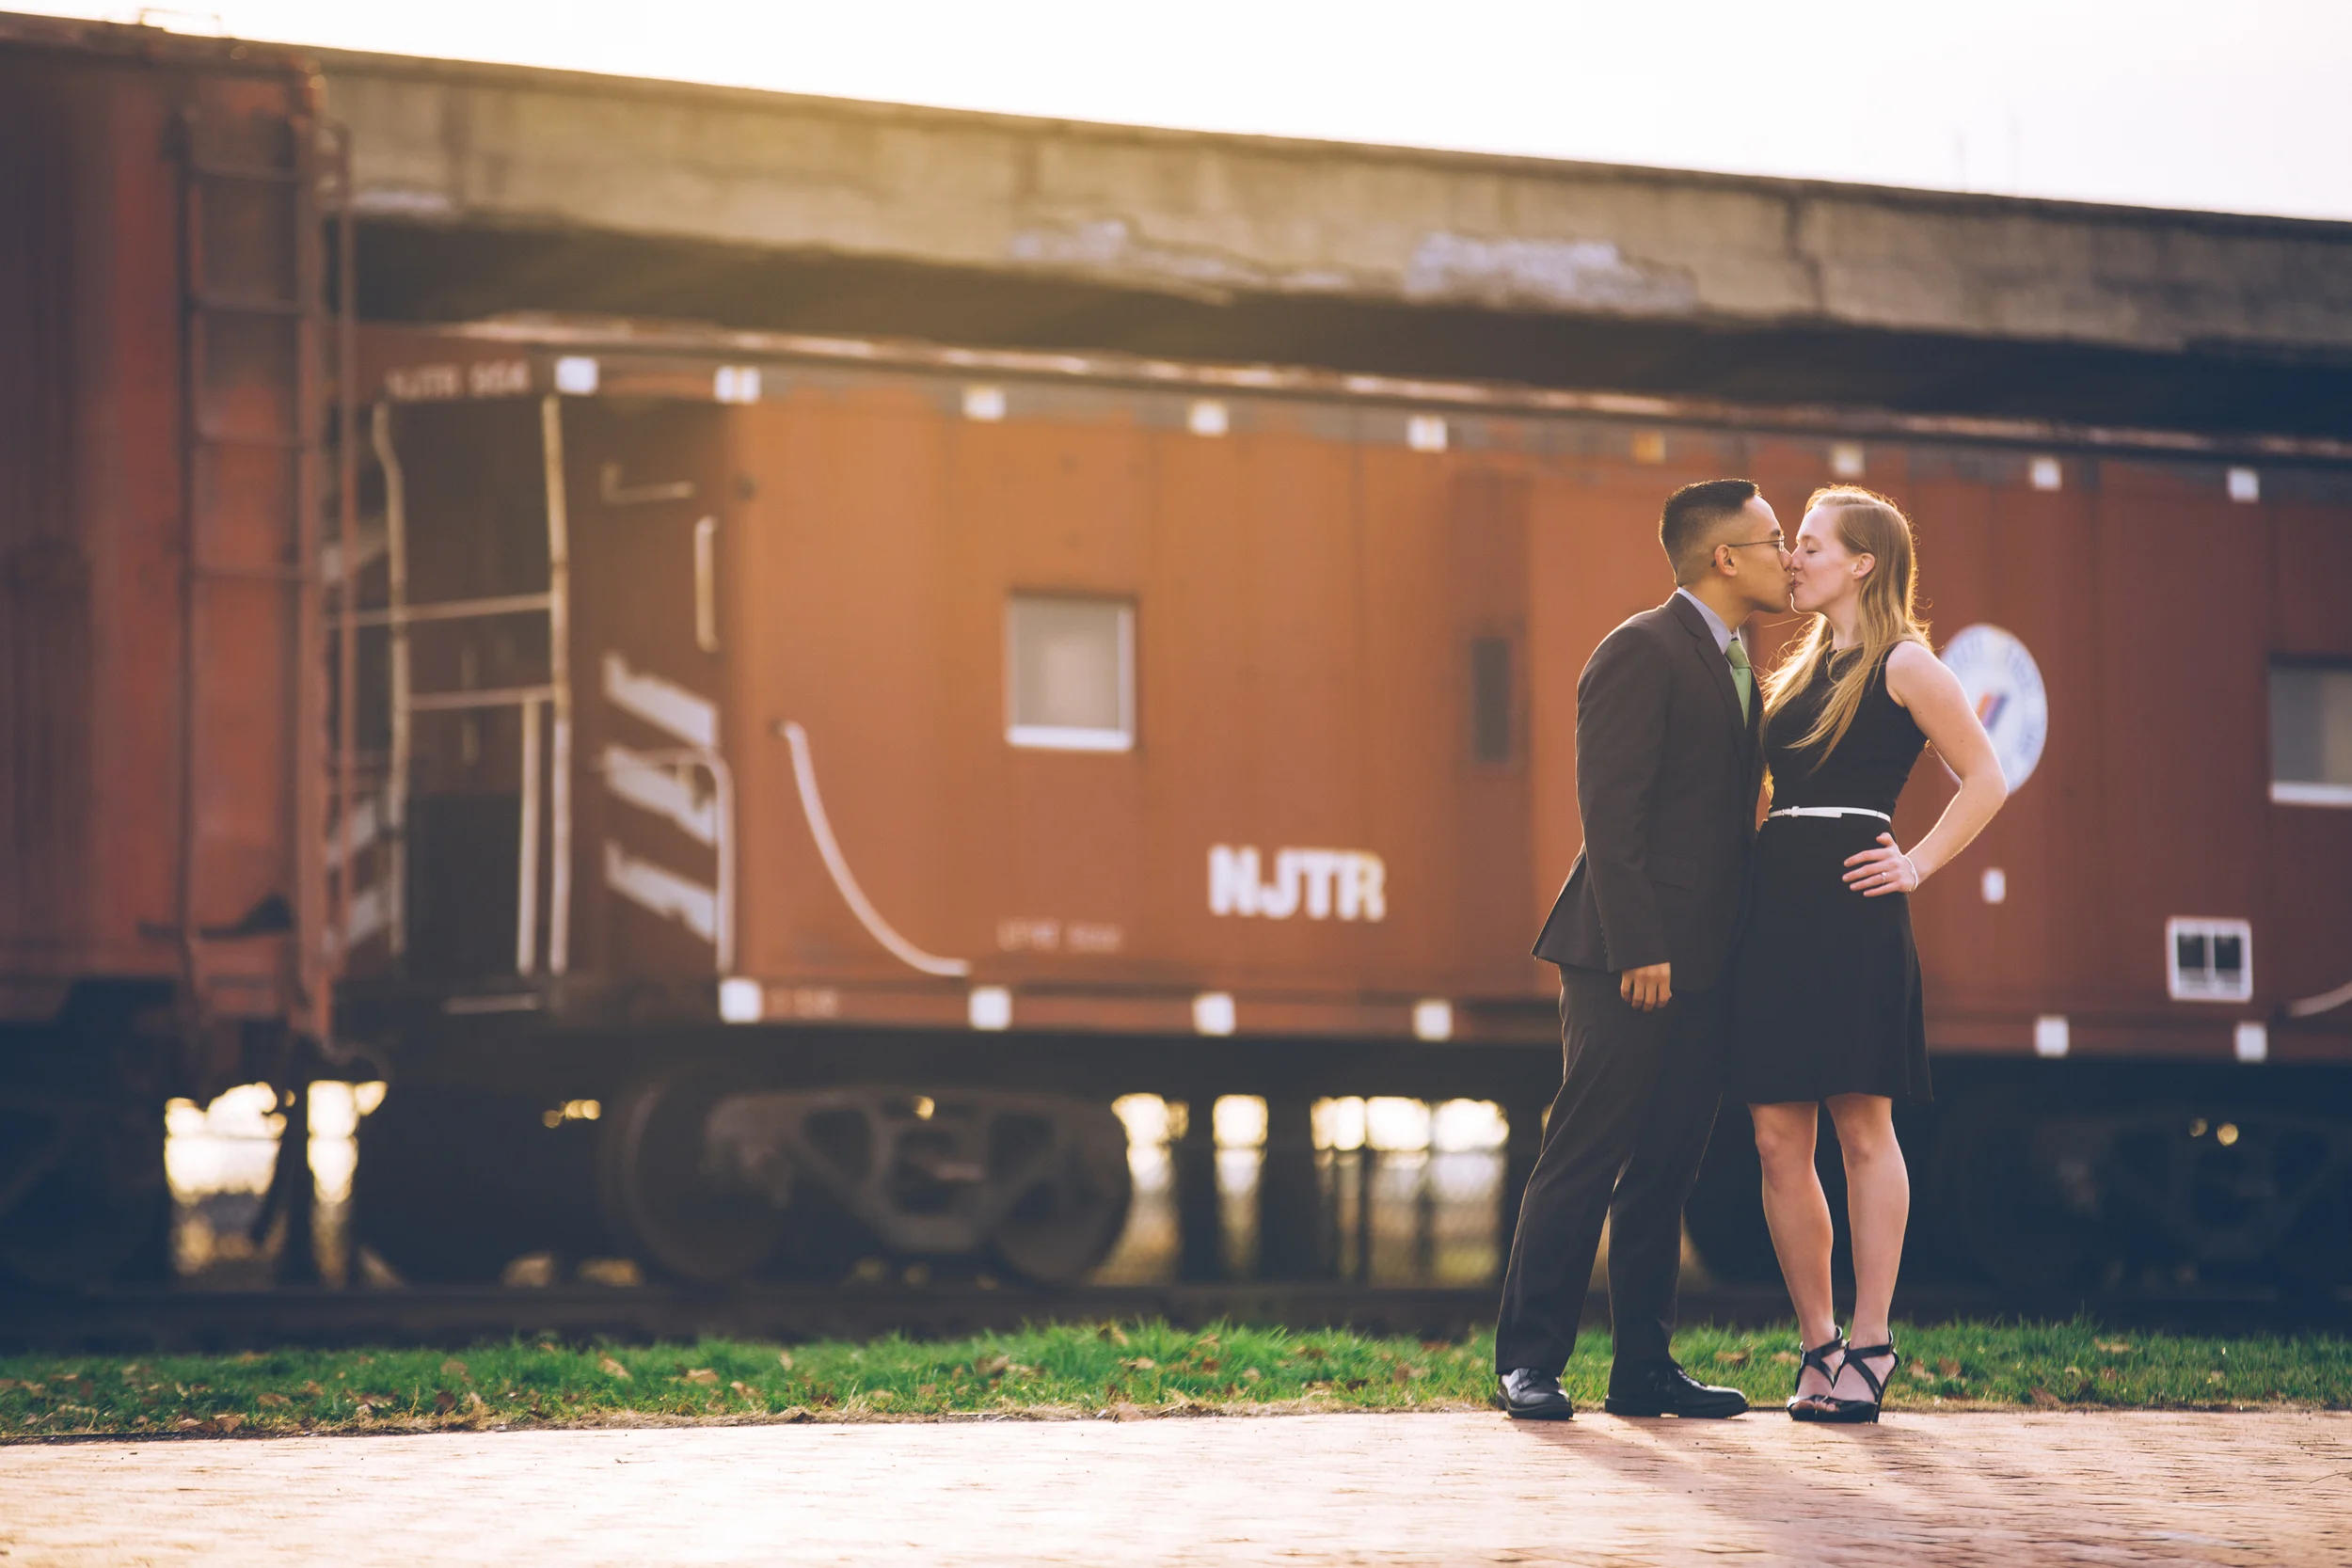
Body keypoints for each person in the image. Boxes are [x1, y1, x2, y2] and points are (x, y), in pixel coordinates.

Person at [1495, 478, 1791, 1420]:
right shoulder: (1640, 648)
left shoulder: (1739, 664)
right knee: (1583, 1155)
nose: (1789, 555)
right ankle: (1528, 1361)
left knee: (1665, 1169)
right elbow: (1609, 811)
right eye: (1775, 539)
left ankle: (1643, 1369)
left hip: (1706, 960)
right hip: (1627, 958)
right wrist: (1640, 946)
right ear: (1725, 557)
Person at [1732, 485, 2007, 1424]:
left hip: (1855, 912)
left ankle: (1874, 1337)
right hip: (1776, 911)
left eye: (1809, 545)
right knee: (1776, 1136)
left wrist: (1917, 863)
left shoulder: (1906, 663)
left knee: (1861, 1129)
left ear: (1863, 562)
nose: (1792, 558)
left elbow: (1986, 776)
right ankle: (1818, 1342)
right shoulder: (1799, 665)